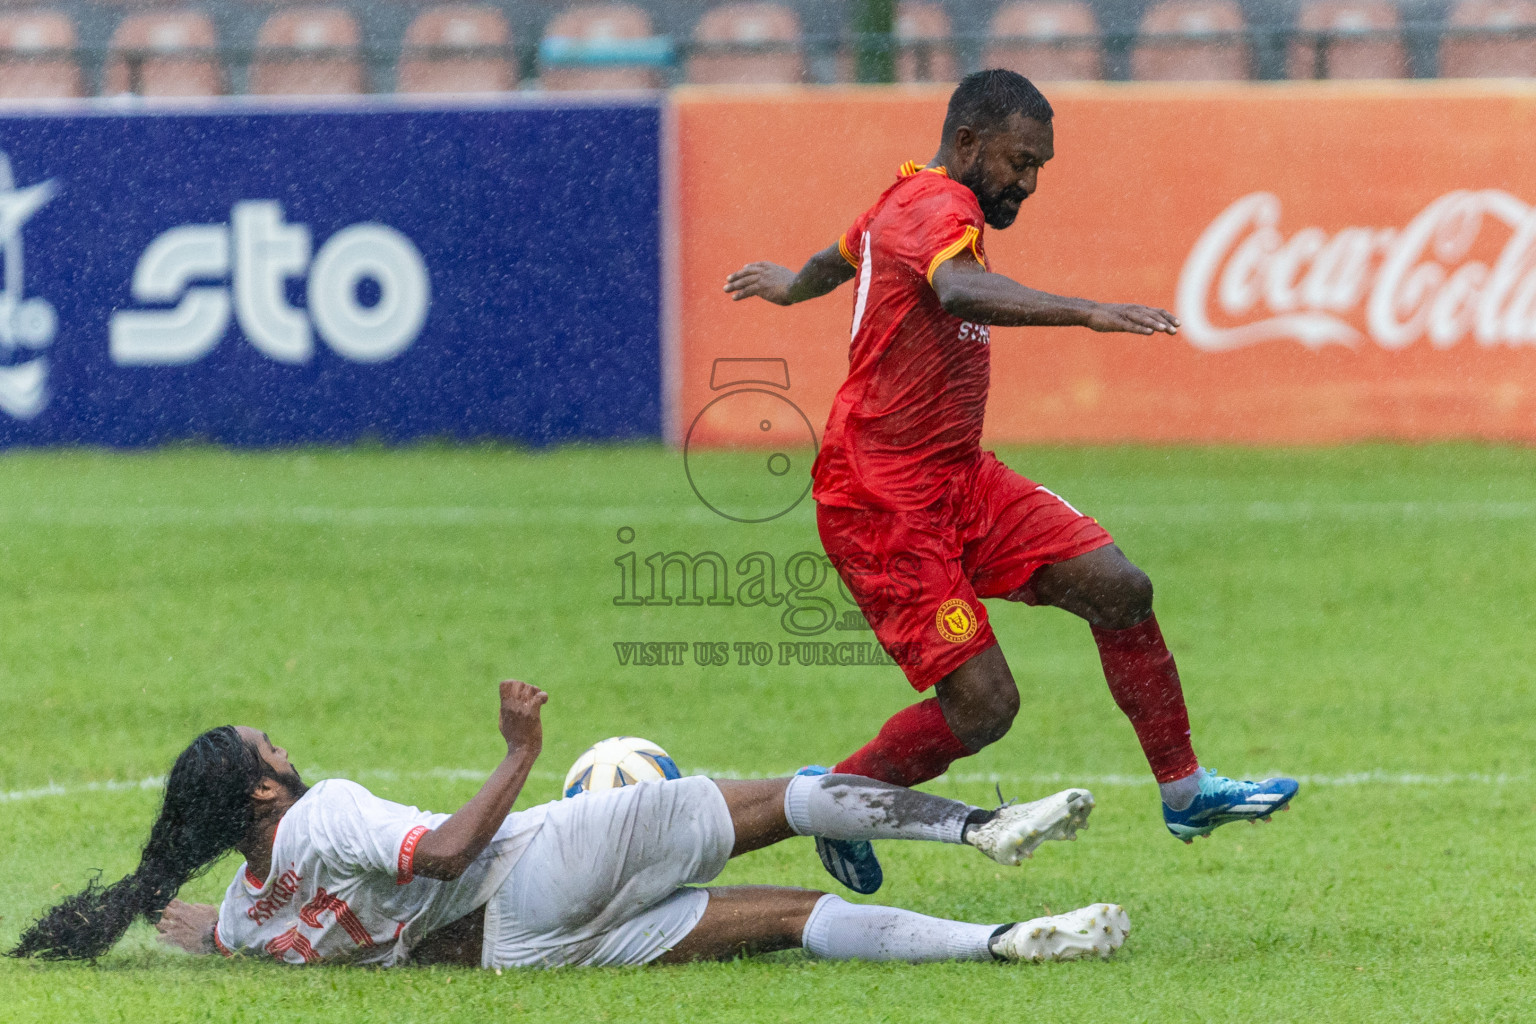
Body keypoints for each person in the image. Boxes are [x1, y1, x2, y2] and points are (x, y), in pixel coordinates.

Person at [724, 68, 1297, 895]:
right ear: (967, 143)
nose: (1027, 184)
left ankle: (1184, 792)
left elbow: (838, 254)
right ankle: (838, 802)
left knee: (1119, 587)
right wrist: (1087, 311)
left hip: (958, 475)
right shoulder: (938, 210)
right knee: (985, 708)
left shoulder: (903, 199)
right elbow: (958, 287)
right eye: (1020, 162)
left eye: (1038, 169)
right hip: (883, 501)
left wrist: (790, 287)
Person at [8, 681, 1129, 969]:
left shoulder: (256, 921)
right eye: (269, 749)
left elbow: (223, 927)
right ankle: (982, 833)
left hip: (516, 952)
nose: (282, 748)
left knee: (794, 918)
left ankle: (998, 943)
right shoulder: (331, 809)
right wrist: (519, 754)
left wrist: (162, 908)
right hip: (530, 869)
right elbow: (444, 852)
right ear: (262, 793)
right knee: (789, 796)